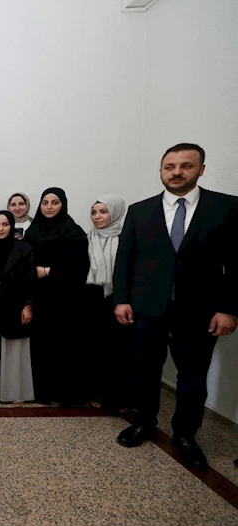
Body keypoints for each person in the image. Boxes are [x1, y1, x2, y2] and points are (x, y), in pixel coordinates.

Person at [114, 143, 238, 471]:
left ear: (201, 169)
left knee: (193, 377)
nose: (177, 172)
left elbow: (235, 263)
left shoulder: (226, 207)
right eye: (170, 167)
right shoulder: (140, 211)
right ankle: (144, 422)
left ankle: (185, 435)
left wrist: (229, 307)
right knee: (145, 370)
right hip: (147, 307)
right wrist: (121, 299)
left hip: (200, 310)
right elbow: (125, 259)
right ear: (161, 171)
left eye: (186, 166)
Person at [24, 187, 90, 405]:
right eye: (45, 203)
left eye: (54, 202)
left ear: (63, 204)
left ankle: (66, 394)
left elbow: (80, 267)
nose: (49, 207)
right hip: (40, 298)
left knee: (66, 345)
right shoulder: (33, 232)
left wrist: (48, 271)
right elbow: (25, 264)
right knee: (42, 346)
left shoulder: (74, 232)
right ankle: (43, 393)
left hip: (67, 298)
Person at [0, 211, 35, 404]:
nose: (1, 228)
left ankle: (15, 392)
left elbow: (30, 279)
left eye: (5, 224)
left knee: (14, 346)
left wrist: (28, 305)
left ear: (12, 226)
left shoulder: (25, 248)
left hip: (15, 301)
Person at [83, 195, 133, 410]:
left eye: (103, 212)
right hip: (92, 299)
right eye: (94, 212)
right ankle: (96, 393)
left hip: (118, 300)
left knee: (119, 351)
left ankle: (118, 399)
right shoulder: (87, 238)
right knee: (95, 349)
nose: (97, 217)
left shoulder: (127, 238)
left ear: (115, 212)